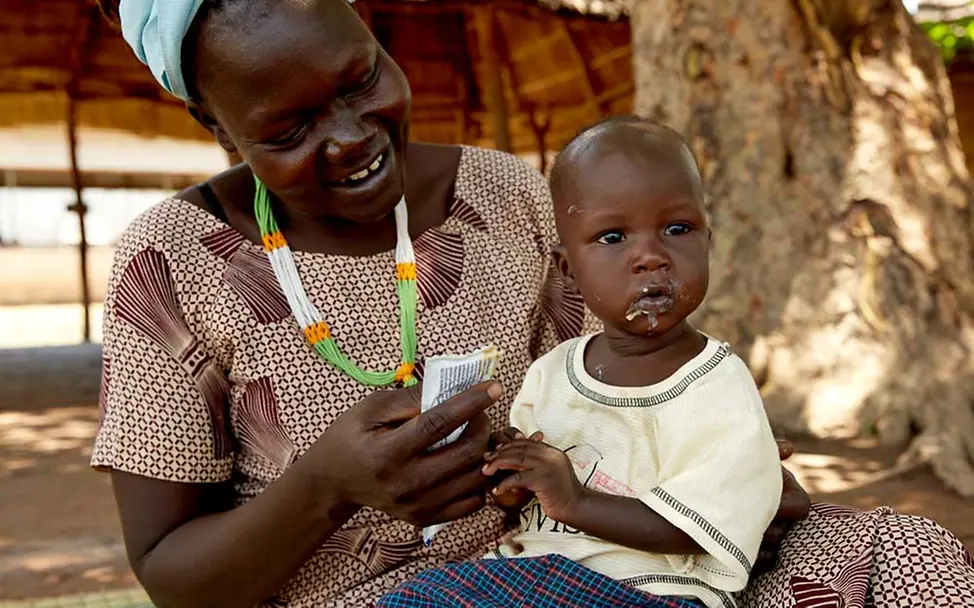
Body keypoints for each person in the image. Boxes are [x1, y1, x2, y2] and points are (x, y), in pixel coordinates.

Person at [89, 1, 973, 607]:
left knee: (907, 556)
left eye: (361, 80)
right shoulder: (171, 264)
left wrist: (720, 457)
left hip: (608, 561)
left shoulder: (512, 197)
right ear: (216, 126)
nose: (353, 138)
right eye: (289, 131)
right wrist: (323, 489)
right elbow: (173, 578)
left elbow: (622, 388)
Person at [378, 118, 783, 608]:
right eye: (613, 237)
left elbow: (701, 528)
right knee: (418, 598)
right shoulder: (552, 372)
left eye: (678, 229)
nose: (651, 257)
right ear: (568, 268)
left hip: (650, 591)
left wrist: (574, 501)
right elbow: (532, 506)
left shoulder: (715, 383)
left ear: (709, 240)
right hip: (532, 577)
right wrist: (514, 481)